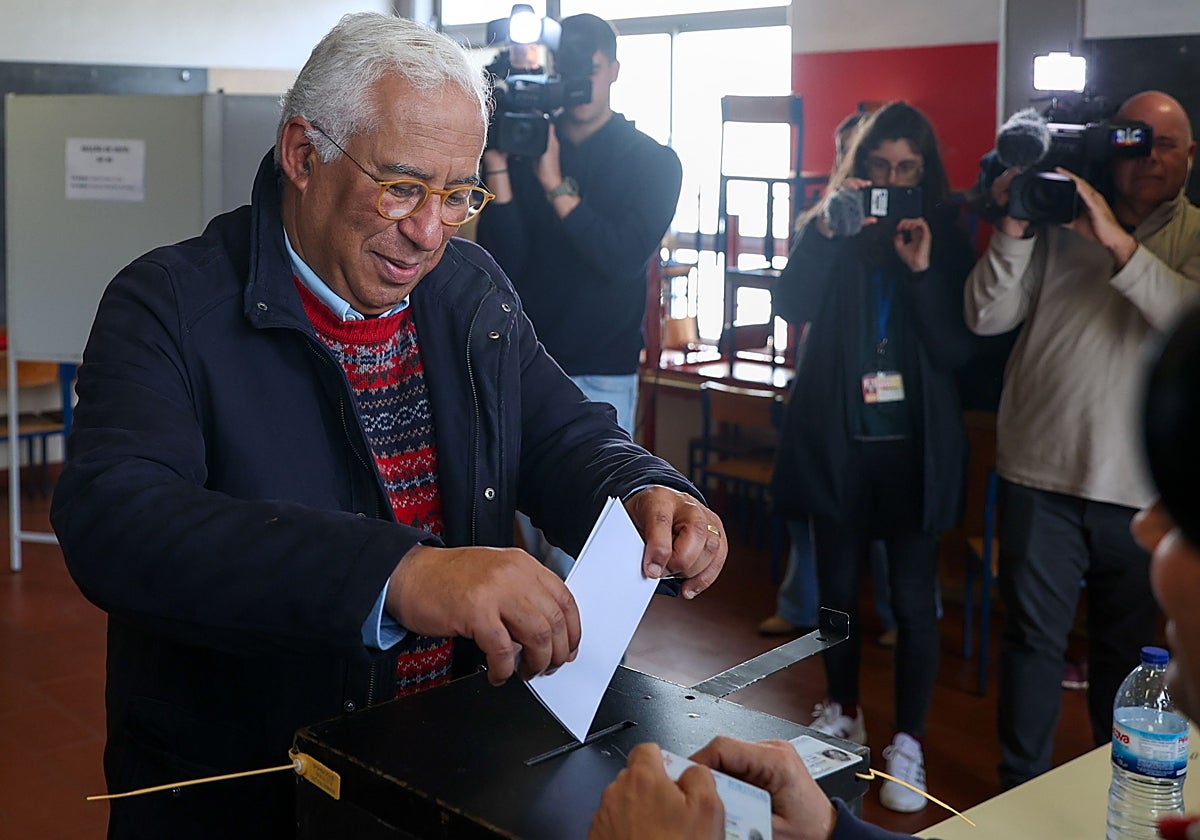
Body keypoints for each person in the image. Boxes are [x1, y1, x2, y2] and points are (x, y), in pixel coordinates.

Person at [49, 13, 726, 839]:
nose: (429, 233)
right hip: (253, 793)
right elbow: (116, 522)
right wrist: (398, 575)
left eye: (457, 194)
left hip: (442, 773)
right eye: (402, 187)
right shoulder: (167, 305)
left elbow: (559, 432)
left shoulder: (468, 290)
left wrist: (644, 487)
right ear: (304, 154)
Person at [964, 89, 1200, 789]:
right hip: (1040, 472)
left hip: (1141, 494)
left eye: (1165, 144)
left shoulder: (1195, 235)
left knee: (1126, 659)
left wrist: (1115, 240)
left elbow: (1188, 322)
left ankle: (1116, 794)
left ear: (1191, 156)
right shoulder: (1054, 217)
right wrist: (1014, 227)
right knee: (1031, 644)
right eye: (1133, 142)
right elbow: (984, 316)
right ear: (1107, 146)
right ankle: (1018, 791)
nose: (1148, 158)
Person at [769, 101, 977, 813]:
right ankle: (843, 711)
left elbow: (956, 350)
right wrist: (829, 232)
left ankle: (909, 741)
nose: (891, 182)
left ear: (925, 173)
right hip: (840, 444)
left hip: (913, 453)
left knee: (914, 602)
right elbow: (791, 304)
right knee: (836, 592)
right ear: (858, 169)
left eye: (906, 169)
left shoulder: (944, 236)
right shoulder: (831, 226)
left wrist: (920, 271)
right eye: (879, 168)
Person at [476, 13, 683, 578]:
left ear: (613, 69)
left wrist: (553, 181)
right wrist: (500, 166)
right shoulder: (525, 143)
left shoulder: (652, 161)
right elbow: (504, 260)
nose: (577, 84)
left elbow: (620, 257)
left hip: (599, 367)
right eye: (567, 71)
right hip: (523, 363)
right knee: (513, 540)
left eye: (588, 71)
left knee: (585, 553)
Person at [760, 112, 899, 647]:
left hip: (890, 390)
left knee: (891, 519)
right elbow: (793, 301)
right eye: (843, 151)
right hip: (825, 384)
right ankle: (799, 606)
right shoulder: (822, 219)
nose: (846, 162)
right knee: (812, 506)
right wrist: (828, 229)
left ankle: (900, 617)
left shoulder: (909, 221)